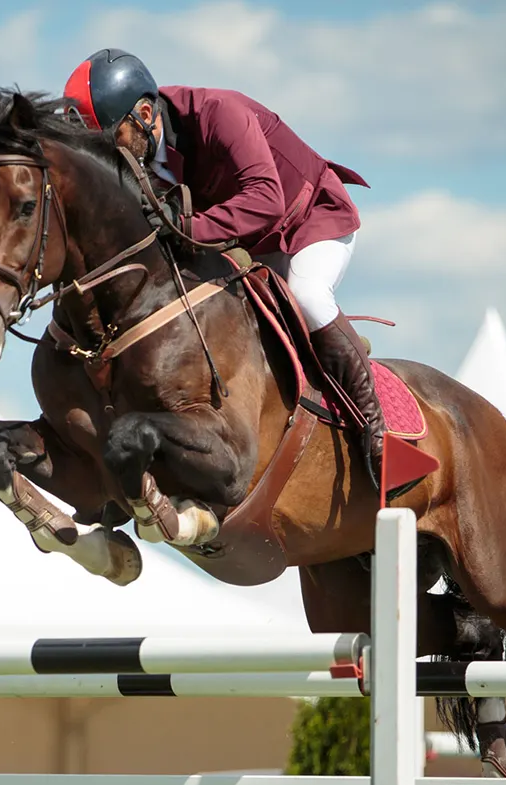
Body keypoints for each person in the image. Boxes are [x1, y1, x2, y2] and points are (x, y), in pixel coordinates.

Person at [63, 48, 387, 491]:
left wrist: (186, 226)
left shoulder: (219, 113)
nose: (109, 155)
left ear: (143, 113)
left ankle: (375, 427)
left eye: (110, 138)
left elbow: (266, 199)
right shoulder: (139, 156)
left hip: (310, 221)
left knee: (307, 294)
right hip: (249, 243)